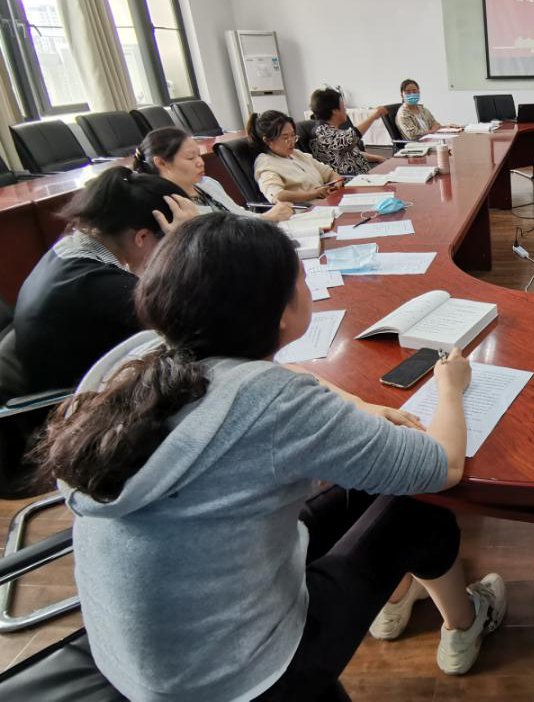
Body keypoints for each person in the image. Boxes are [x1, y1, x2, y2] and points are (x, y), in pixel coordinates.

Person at [34, 214, 505, 701]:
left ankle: (394, 597)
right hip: (241, 678)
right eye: (302, 278)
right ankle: (464, 621)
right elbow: (443, 466)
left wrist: (358, 405)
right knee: (419, 508)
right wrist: (451, 387)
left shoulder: (136, 360)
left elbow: (286, 378)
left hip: (136, 660)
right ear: (280, 312)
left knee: (366, 489)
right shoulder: (275, 404)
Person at [11, 168, 197, 399]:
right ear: (141, 237)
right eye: (169, 243)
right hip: (80, 405)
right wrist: (187, 249)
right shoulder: (105, 287)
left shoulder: (70, 248)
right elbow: (196, 322)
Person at [134, 126, 294, 221]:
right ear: (161, 163)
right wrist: (267, 218)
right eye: (190, 158)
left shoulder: (208, 184)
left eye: (198, 155)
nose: (200, 162)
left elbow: (239, 216)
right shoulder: (167, 206)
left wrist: (269, 216)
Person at [250, 110, 344, 204]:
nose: (291, 141)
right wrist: (314, 194)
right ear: (267, 141)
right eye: (285, 137)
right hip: (306, 210)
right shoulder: (265, 163)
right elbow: (277, 196)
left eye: (293, 135)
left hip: (327, 203)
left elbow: (330, 174)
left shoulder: (296, 154)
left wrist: (336, 186)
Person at [307, 87, 388, 176]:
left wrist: (378, 158)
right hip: (348, 181)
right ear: (335, 111)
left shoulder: (331, 129)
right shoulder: (322, 133)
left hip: (364, 176)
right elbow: (351, 138)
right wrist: (373, 116)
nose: (345, 109)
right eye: (342, 105)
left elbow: (353, 152)